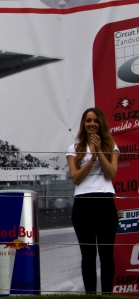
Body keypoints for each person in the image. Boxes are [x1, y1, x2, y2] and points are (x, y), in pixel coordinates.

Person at [66, 107, 119, 294]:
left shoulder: (111, 145)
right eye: (88, 120)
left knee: (106, 255)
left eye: (96, 120)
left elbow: (111, 173)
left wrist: (99, 152)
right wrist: (92, 159)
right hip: (83, 204)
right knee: (88, 255)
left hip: (105, 202)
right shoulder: (74, 149)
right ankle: (90, 296)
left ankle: (107, 295)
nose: (92, 124)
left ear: (101, 123)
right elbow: (75, 178)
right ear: (83, 124)